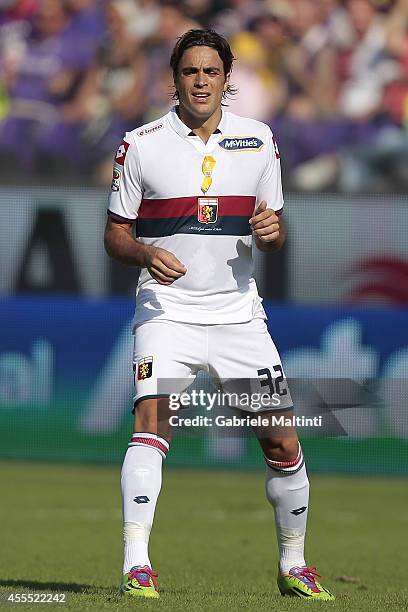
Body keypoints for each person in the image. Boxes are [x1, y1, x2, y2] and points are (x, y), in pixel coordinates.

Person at [104, 28, 334, 601]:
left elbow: (275, 233)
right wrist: (143, 252)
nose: (200, 81)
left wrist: (273, 232)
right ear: (174, 79)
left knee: (282, 442)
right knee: (152, 424)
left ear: (228, 79)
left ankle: (294, 564)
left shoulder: (259, 141)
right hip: (167, 312)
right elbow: (114, 235)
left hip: (238, 316)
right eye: (189, 72)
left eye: (211, 71)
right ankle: (137, 563)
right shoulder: (142, 143)